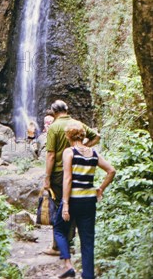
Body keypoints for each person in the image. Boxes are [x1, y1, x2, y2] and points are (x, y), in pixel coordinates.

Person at [54, 121, 115, 278]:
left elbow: (67, 179)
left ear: (68, 136)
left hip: (73, 199)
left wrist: (65, 204)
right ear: (82, 135)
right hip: (89, 201)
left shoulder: (70, 152)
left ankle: (68, 264)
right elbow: (111, 170)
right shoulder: (94, 153)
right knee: (87, 241)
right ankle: (88, 276)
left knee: (59, 228)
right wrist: (100, 188)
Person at [43, 100, 100, 255]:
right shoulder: (77, 123)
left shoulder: (53, 127)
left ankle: (57, 246)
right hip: (76, 170)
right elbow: (96, 136)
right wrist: (84, 149)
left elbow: (51, 155)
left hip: (58, 173)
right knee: (71, 205)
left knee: (58, 207)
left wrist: (47, 177)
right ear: (66, 110)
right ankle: (70, 243)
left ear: (54, 112)